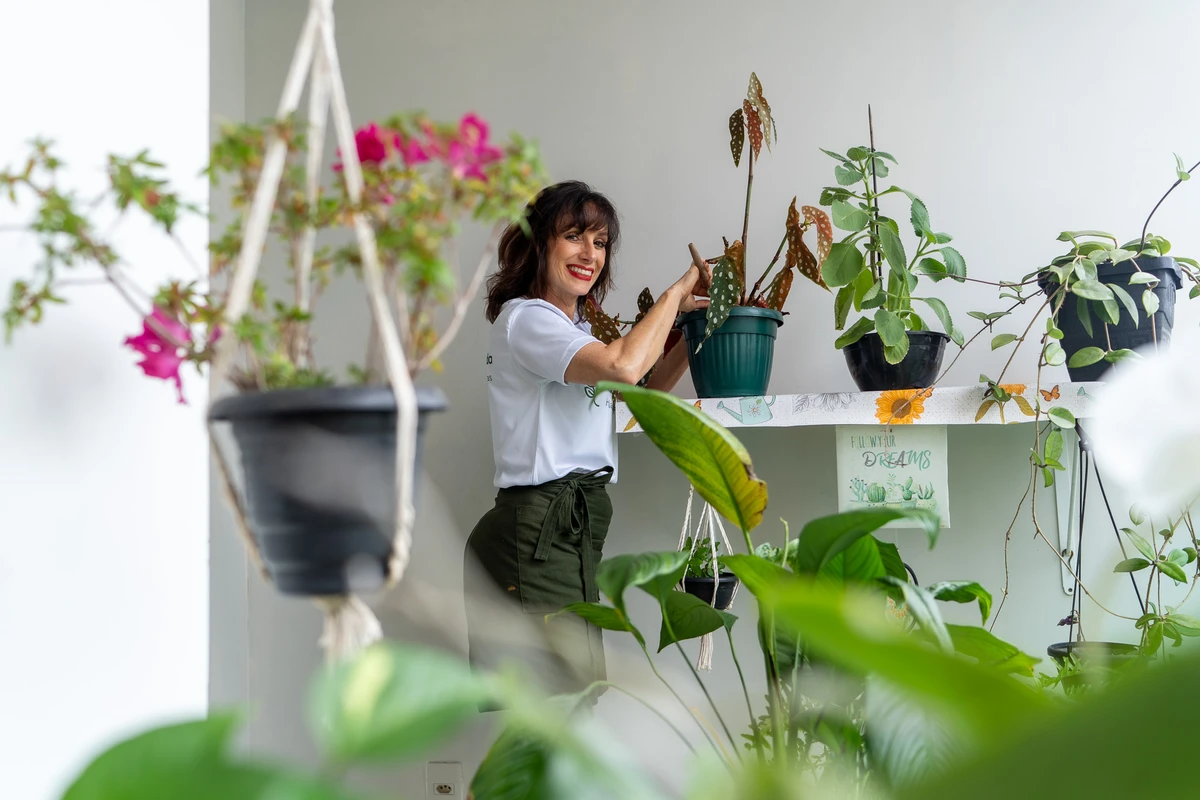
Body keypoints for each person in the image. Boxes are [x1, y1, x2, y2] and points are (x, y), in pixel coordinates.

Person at [464, 180, 710, 697]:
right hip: (538, 534)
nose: (590, 254)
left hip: (570, 532)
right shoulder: (528, 321)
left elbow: (638, 393)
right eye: (574, 236)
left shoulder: (570, 333)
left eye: (600, 243)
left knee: (569, 705)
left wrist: (691, 331)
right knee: (553, 711)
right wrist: (674, 292)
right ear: (540, 243)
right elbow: (623, 368)